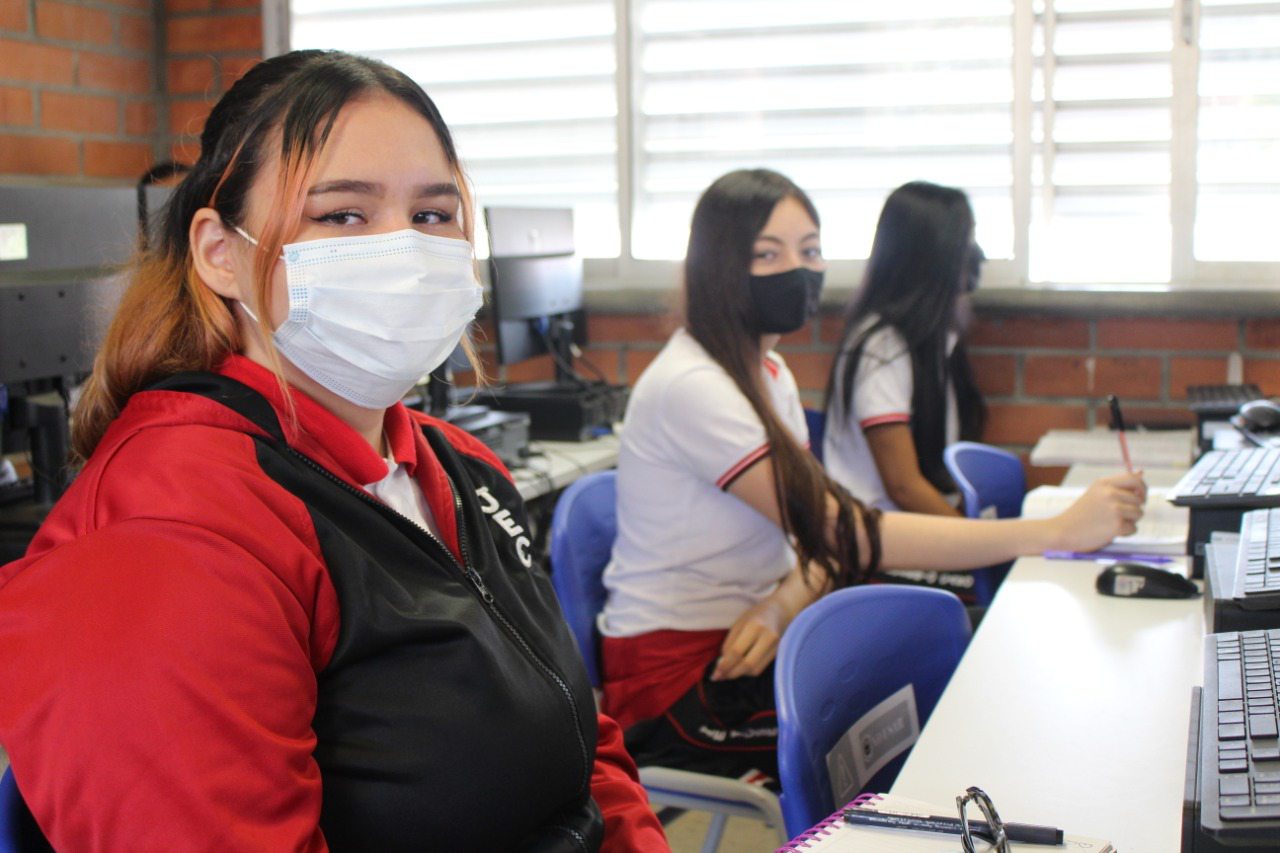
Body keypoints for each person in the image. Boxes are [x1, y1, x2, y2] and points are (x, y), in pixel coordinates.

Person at [0, 50, 667, 853]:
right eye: (342, 215)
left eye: (432, 215)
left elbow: (582, 742)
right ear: (220, 251)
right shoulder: (171, 529)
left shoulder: (458, 468)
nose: (404, 248)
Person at [597, 168, 1145, 785]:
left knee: (953, 676)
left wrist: (783, 603)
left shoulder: (768, 372)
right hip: (679, 682)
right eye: (767, 254)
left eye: (811, 250)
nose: (799, 270)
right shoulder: (695, 386)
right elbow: (843, 533)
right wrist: (1052, 531)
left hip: (763, 634)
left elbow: (820, 539)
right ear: (716, 266)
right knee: (938, 704)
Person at [823, 180, 987, 515]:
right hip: (886, 541)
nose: (975, 255)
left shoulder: (934, 340)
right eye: (965, 241)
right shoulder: (883, 349)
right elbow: (903, 488)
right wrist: (981, 543)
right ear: (934, 256)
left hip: (920, 532)